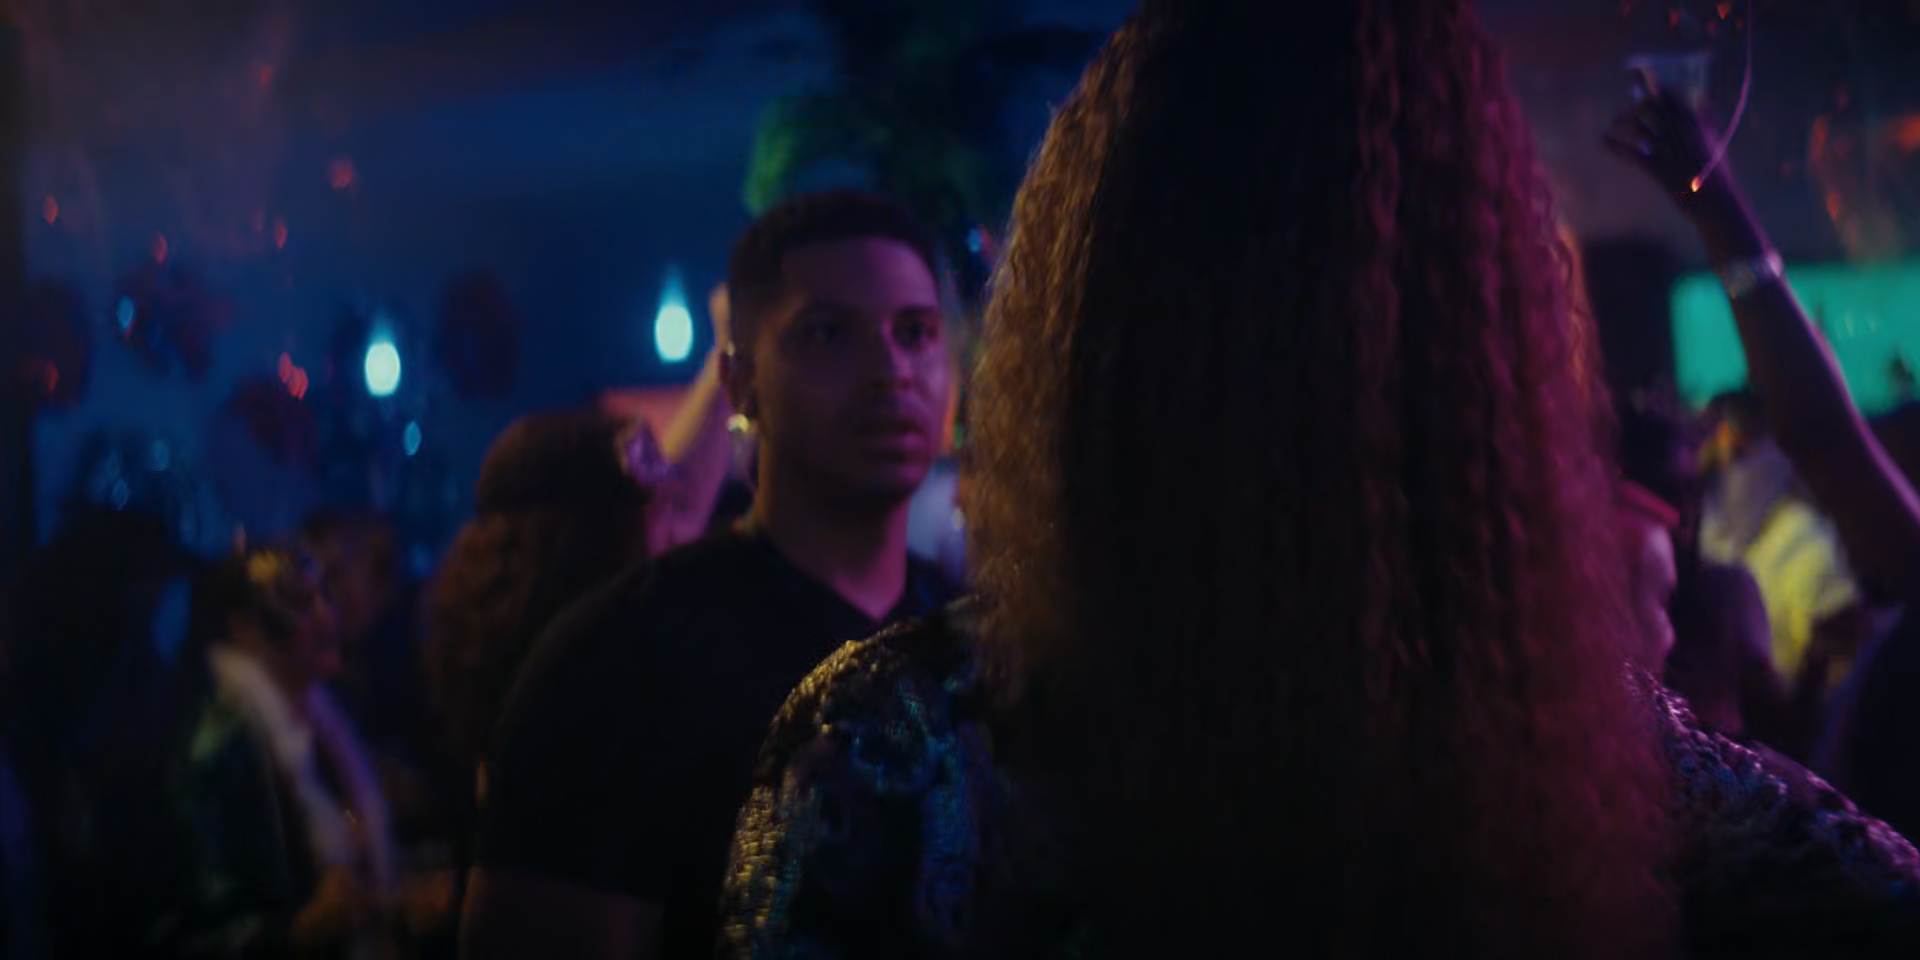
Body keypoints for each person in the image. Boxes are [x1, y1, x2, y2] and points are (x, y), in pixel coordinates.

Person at [718, 2, 1920, 957]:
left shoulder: (899, 752)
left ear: (1089, 321)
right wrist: (1727, 222)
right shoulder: (1568, 745)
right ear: (1477, 348)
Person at [464, 189, 959, 960]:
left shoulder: (981, 641)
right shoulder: (619, 656)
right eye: (827, 333)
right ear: (740, 383)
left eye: (916, 333)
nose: (890, 371)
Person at [150, 545, 447, 957]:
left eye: (326, 596)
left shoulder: (325, 724)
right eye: (300, 602)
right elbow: (187, 929)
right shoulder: (216, 748)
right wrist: (298, 932)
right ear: (243, 627)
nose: (329, 616)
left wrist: (397, 899)